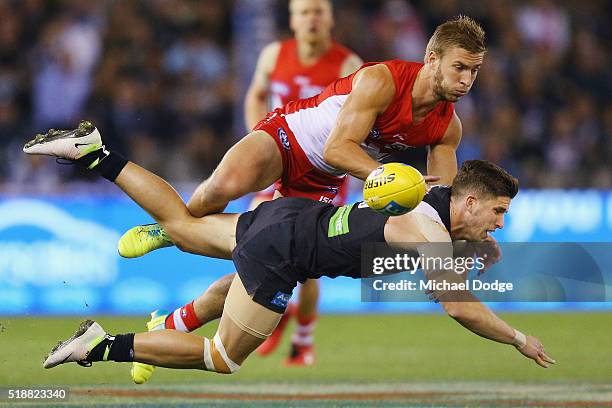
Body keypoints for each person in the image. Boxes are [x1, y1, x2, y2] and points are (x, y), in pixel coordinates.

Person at [117, 14, 485, 379]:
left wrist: (450, 244)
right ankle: (167, 230)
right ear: (432, 59)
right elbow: (338, 147)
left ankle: (170, 322)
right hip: (289, 137)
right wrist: (385, 176)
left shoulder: (447, 127)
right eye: (459, 68)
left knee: (269, 260)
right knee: (219, 189)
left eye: (474, 71)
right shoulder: (382, 80)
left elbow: (440, 199)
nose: (466, 80)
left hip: (323, 180)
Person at [23, 122, 555, 374]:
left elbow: (437, 210)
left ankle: (96, 154)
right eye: (497, 213)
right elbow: (459, 305)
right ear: (467, 203)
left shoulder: (432, 190)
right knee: (224, 357)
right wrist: (516, 337)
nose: (500, 224)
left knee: (183, 225)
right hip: (286, 252)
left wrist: (476, 244)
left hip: (292, 216)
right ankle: (100, 345)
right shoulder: (431, 232)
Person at [242, 0, 362, 366]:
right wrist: (257, 139)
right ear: (292, 20)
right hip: (280, 159)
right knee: (252, 232)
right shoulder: (273, 55)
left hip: (323, 170)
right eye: (304, 12)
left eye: (318, 11)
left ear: (330, 19)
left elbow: (360, 121)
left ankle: (303, 339)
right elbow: (256, 94)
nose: (312, 18)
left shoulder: (349, 65)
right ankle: (275, 313)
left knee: (309, 261)